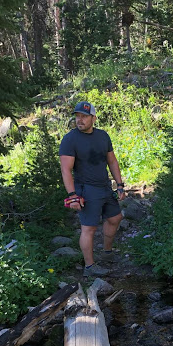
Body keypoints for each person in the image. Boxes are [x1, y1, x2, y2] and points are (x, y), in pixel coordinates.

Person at [59, 101, 126, 277]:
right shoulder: (70, 139)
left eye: (84, 116)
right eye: (77, 116)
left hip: (104, 186)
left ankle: (107, 252)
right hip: (86, 189)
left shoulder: (103, 136)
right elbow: (66, 169)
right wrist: (72, 195)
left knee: (115, 218)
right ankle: (90, 267)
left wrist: (119, 184)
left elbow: (112, 161)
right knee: (89, 228)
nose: (79, 120)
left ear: (93, 118)